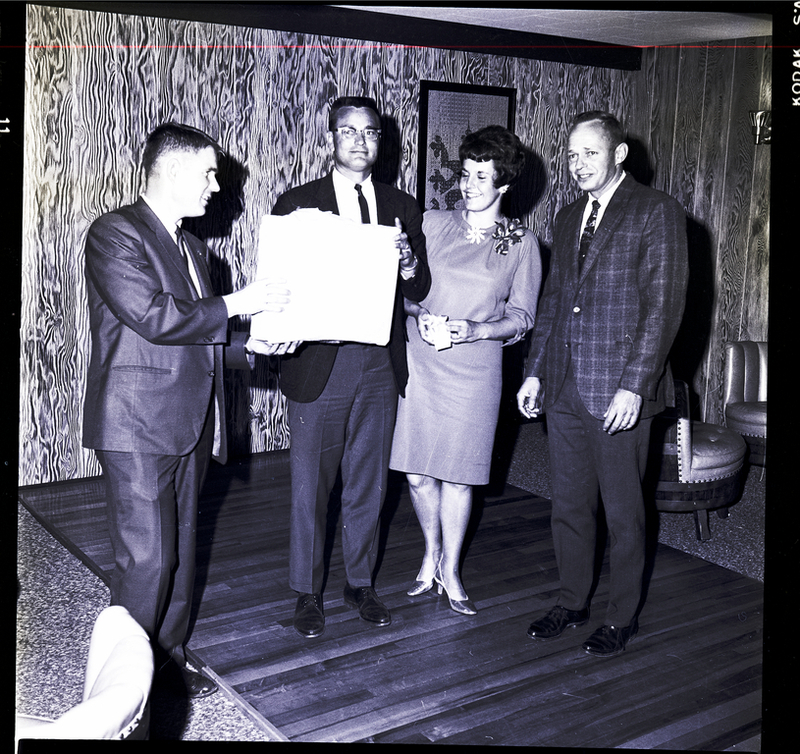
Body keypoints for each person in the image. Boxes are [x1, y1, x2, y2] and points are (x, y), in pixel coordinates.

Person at [83, 122, 296, 697]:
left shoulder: (195, 248)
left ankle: (167, 664)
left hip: (192, 423)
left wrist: (253, 345)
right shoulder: (115, 233)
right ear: (172, 170)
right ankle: (122, 691)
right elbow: (154, 317)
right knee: (147, 561)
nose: (214, 185)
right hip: (136, 424)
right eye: (207, 173)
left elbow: (200, 338)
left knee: (178, 556)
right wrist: (238, 302)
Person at [516, 111, 688, 657]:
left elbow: (663, 308)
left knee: (623, 512)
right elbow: (553, 302)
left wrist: (635, 385)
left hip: (619, 390)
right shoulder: (568, 216)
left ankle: (621, 617)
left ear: (619, 154)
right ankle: (572, 601)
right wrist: (534, 371)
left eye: (590, 153)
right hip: (565, 385)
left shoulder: (656, 210)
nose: (578, 164)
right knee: (568, 505)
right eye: (571, 155)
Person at [272, 96, 430, 638]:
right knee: (310, 486)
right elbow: (279, 279)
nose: (361, 141)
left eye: (371, 133)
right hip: (321, 360)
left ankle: (359, 582)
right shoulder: (297, 203)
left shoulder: (402, 206)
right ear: (330, 139)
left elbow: (421, 287)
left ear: (381, 142)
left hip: (379, 361)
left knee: (369, 482)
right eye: (349, 131)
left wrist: (408, 261)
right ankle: (307, 591)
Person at [390, 125, 541, 615]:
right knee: (417, 474)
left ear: (504, 184)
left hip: (475, 372)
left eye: (481, 176)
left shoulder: (520, 242)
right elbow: (402, 292)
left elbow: (522, 318)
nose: (468, 185)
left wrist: (475, 330)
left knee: (458, 478)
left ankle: (451, 568)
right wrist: (420, 314)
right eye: (465, 173)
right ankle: (430, 552)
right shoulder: (432, 223)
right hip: (421, 362)